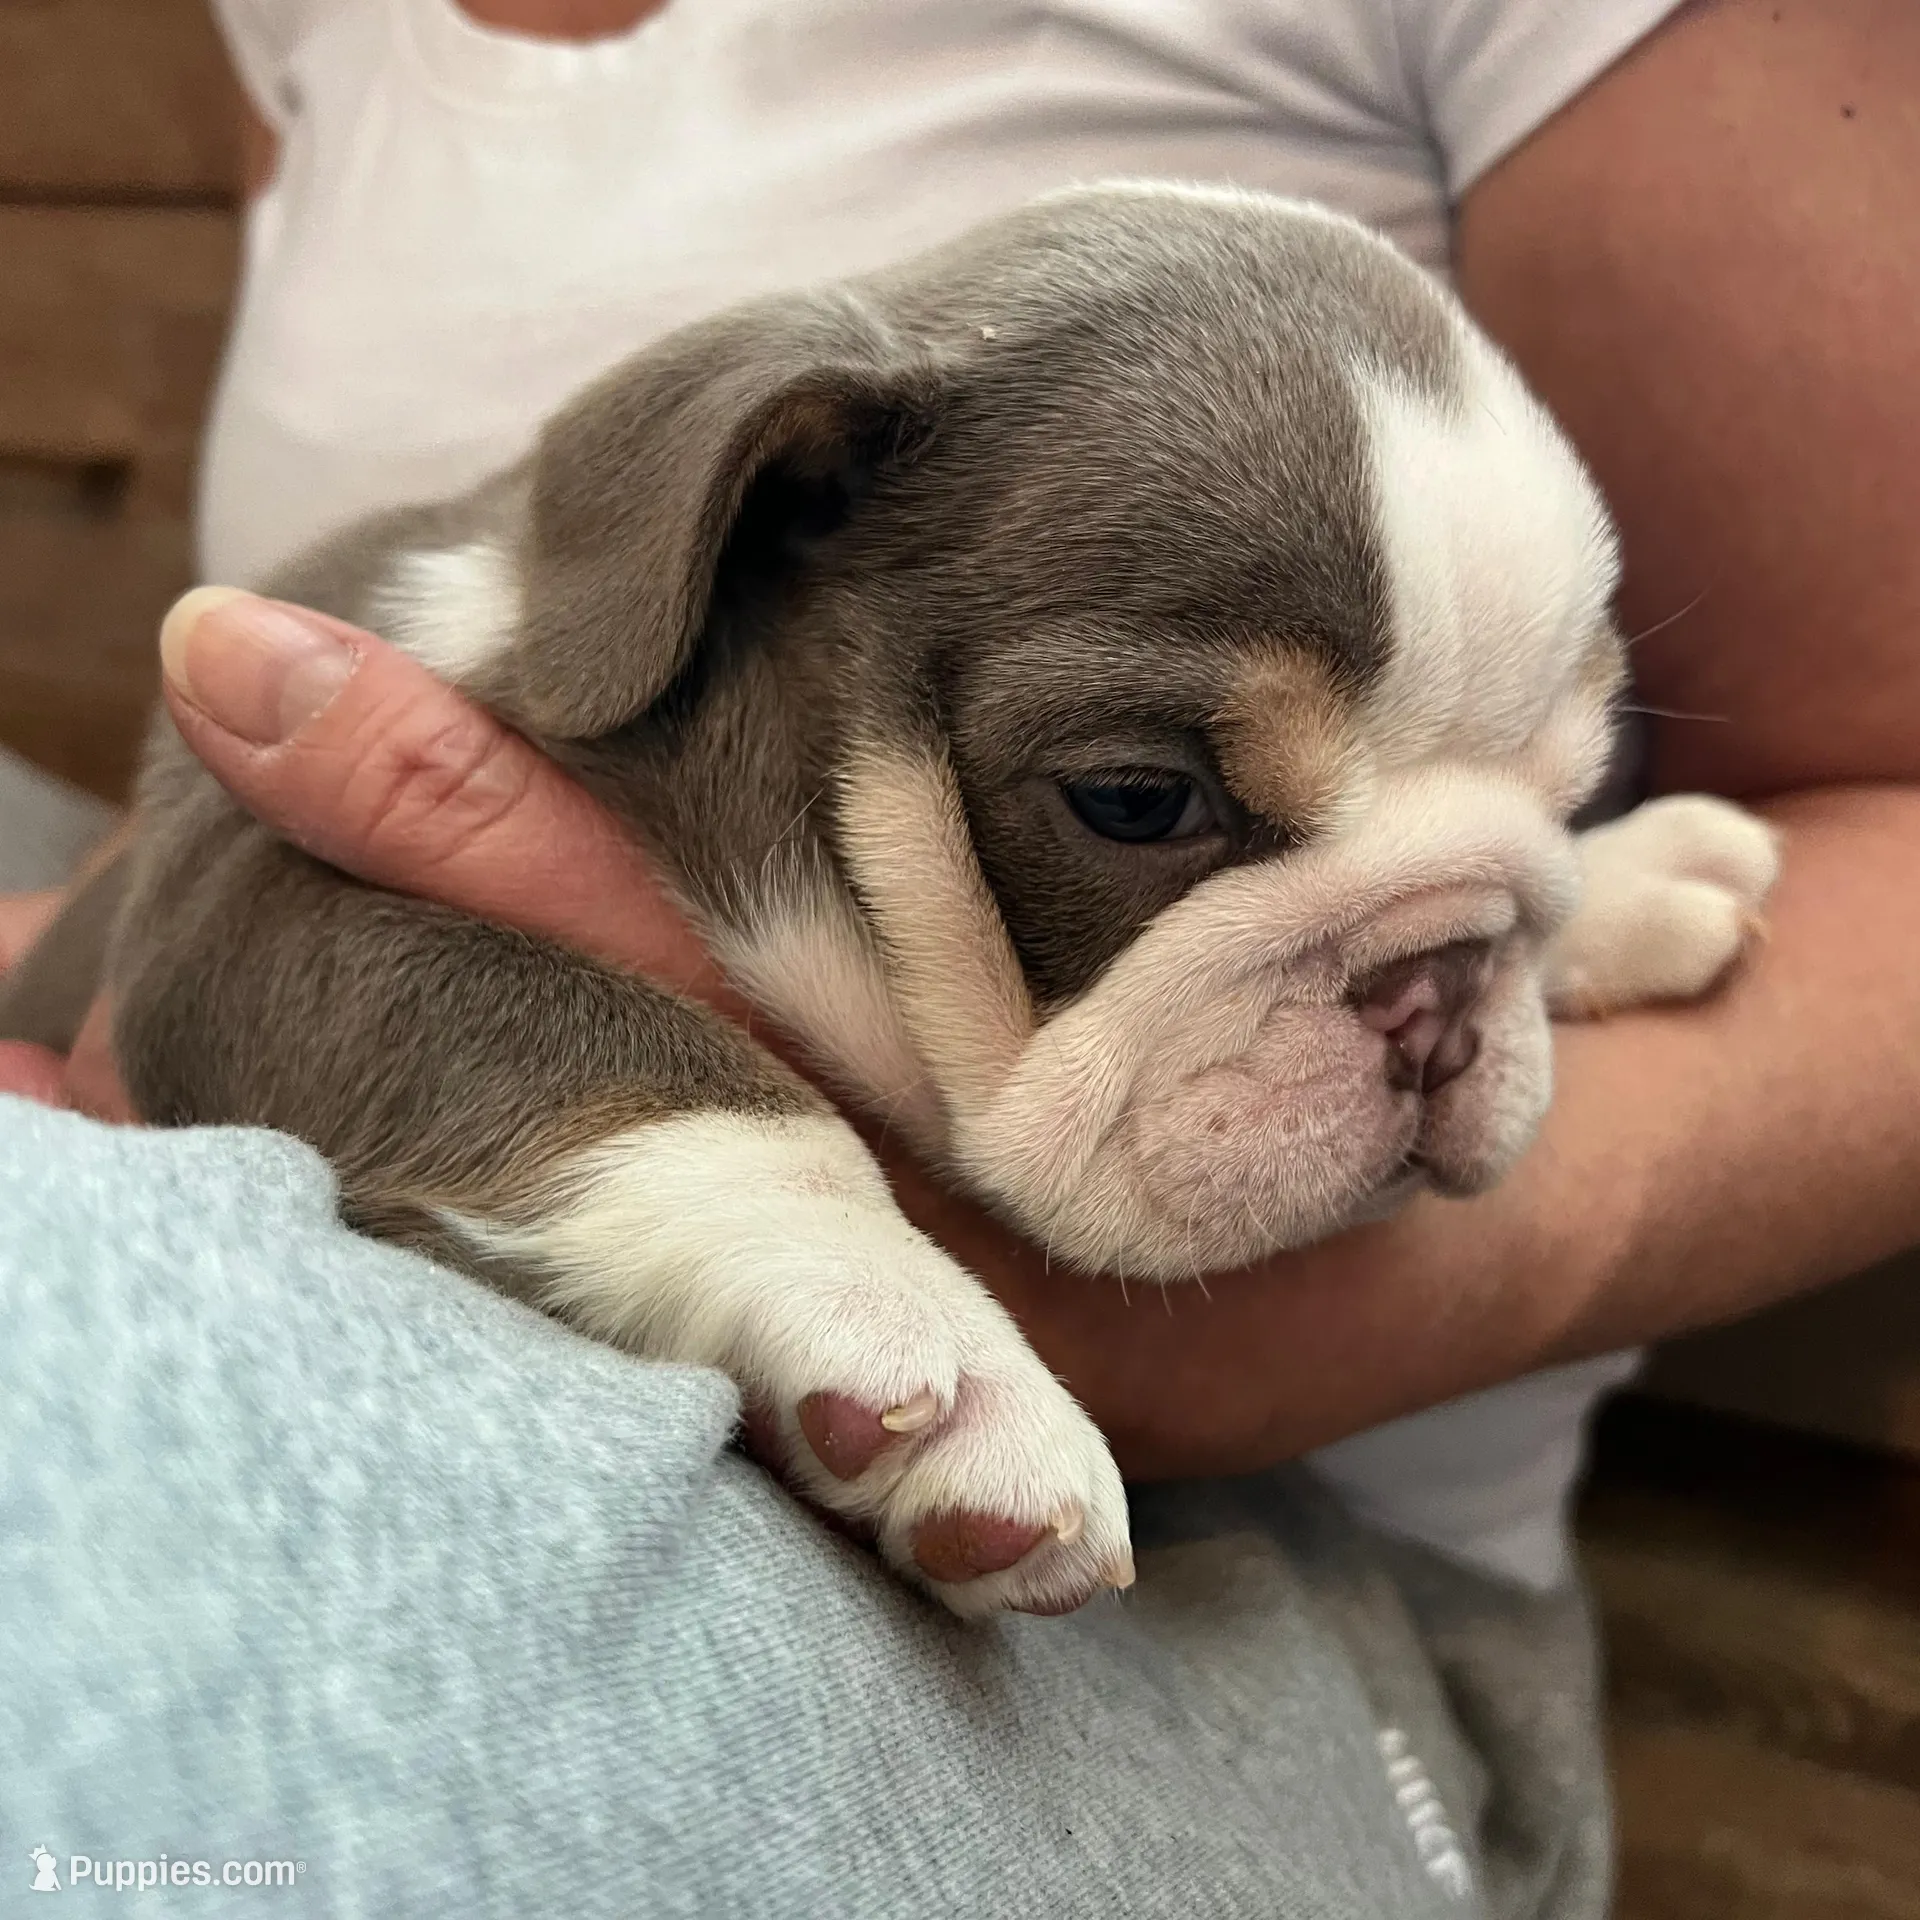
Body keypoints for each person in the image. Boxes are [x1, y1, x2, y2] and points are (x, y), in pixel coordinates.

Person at [2, 1, 1915, 1913]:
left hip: (1289, 1567)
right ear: (765, 507)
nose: (1438, 1004)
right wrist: (758, 1206)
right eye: (1153, 805)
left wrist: (1484, 984)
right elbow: (234, 966)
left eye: (1536, 822)